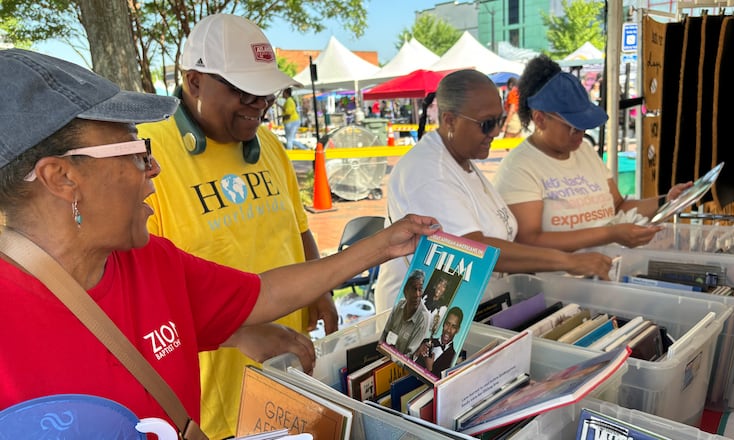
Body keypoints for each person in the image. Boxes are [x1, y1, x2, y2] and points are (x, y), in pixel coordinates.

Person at [0, 47, 440, 434]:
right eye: (133, 152)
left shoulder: (153, 263)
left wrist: (383, 244)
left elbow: (262, 292)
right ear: (61, 177)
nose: (153, 168)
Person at [136, 14, 333, 438]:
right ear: (193, 81)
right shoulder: (148, 157)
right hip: (216, 403)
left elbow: (298, 230)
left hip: (290, 377)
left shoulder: (271, 147)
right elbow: (141, 291)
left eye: (266, 94)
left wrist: (320, 290)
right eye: (243, 92)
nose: (257, 105)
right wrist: (236, 329)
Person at [375, 69, 614, 313]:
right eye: (487, 124)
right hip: (421, 322)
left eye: (499, 120)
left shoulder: (461, 159)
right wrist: (567, 261)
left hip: (469, 308)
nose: (497, 132)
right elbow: (473, 249)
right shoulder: (428, 172)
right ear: (449, 120)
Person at [492, 55, 692, 253]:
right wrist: (610, 234)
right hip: (559, 281)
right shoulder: (519, 167)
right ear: (540, 119)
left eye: (584, 127)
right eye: (573, 127)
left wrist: (666, 201)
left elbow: (618, 206)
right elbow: (529, 241)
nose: (581, 134)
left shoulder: (584, 151)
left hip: (606, 270)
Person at [380, 269, 430, 357]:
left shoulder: (423, 318)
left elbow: (410, 356)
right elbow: (384, 333)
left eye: (420, 289)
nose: (418, 294)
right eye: (414, 289)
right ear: (406, 291)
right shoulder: (400, 305)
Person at [414, 306, 463, 377]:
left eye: (453, 327)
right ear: (443, 323)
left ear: (457, 330)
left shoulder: (454, 358)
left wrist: (430, 369)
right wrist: (417, 353)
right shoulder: (425, 341)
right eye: (447, 324)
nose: (448, 330)